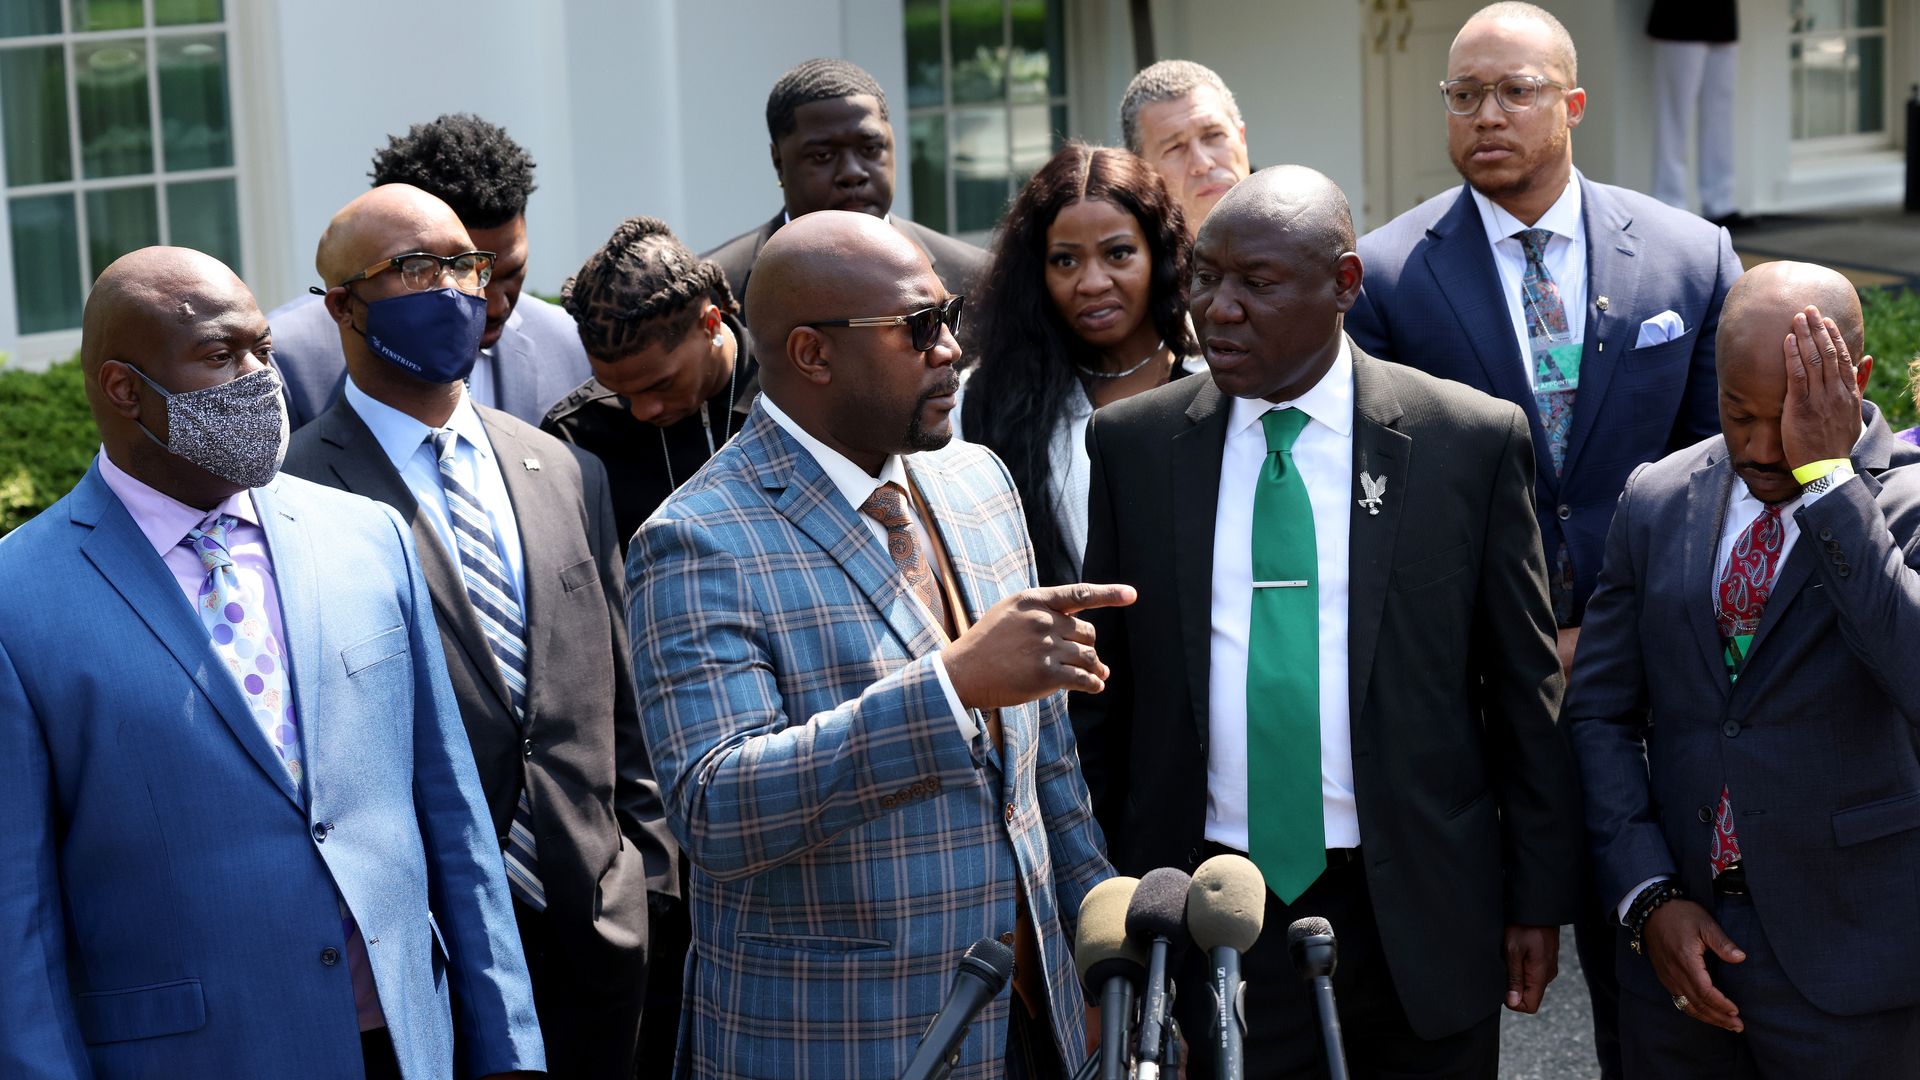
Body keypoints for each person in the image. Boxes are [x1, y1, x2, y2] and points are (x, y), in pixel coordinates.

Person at [1074, 166, 1585, 1079]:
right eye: (1204, 278)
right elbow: (1106, 701)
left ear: (1345, 284)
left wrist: (1535, 899)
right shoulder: (1135, 446)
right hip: (1212, 913)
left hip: (1417, 916)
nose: (1216, 309)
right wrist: (1103, 904)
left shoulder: (1463, 440)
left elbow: (1523, 688)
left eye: (1256, 284)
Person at [0, 246, 543, 1079]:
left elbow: (454, 821)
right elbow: (17, 918)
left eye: (263, 348)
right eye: (222, 356)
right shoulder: (20, 597)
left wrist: (510, 1051)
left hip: (403, 1042)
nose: (261, 378)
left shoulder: (368, 538)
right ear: (123, 388)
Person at [628, 209, 1119, 1078]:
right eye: (918, 328)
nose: (951, 352)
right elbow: (717, 809)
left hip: (1031, 1026)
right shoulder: (698, 538)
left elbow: (1047, 770)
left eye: (952, 317)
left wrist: (1102, 967)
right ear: (813, 354)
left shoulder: (976, 480)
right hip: (847, 1040)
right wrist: (950, 688)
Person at [1344, 9, 1742, 1065]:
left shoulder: (1688, 256)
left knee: (1656, 993)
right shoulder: (1383, 278)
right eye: (1462, 94)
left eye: (1513, 91)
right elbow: (1390, 511)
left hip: (1647, 682)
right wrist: (1522, 645)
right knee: (1475, 993)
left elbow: (1718, 475)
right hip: (1478, 694)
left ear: (1571, 103)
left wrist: (1606, 638)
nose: (1485, 115)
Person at [280, 185, 677, 1079]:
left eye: (467, 264)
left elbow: (621, 707)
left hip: (598, 937)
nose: (458, 288)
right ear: (343, 305)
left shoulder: (563, 468)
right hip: (428, 958)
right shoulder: (293, 498)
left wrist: (645, 881)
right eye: (416, 269)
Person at [1567, 261, 1920, 1078]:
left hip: (1854, 963)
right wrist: (1647, 894)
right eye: (1737, 415)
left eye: (1789, 416)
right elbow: (1600, 715)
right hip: (1681, 956)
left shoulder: (1905, 505)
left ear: (1853, 379)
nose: (1763, 450)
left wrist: (1830, 482)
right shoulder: (1657, 499)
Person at [955, 143, 1202, 586]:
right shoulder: (980, 402)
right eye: (1065, 260)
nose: (1091, 282)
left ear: (1161, 254)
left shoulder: (1219, 380)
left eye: (1118, 253)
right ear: (1037, 273)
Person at [269, 113, 590, 428]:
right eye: (432, 271)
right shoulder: (288, 361)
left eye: (509, 272)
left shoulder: (571, 347)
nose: (491, 304)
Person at [703, 58, 987, 314]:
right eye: (823, 156)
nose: (852, 173)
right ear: (778, 161)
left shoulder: (981, 279)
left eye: (871, 148)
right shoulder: (712, 295)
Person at [543, 216, 757, 549]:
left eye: (660, 385)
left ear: (711, 324)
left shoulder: (792, 395)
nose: (643, 411)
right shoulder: (577, 436)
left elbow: (868, 504)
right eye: (619, 391)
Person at [1119, 59, 1253, 240]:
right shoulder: (1125, 262)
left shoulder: (1299, 245)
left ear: (1241, 137)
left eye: (1213, 135)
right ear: (1138, 172)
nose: (1202, 163)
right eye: (1175, 148)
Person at [1649, 0, 1742, 227]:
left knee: (1720, 113)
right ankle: (1669, 202)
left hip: (1723, 19)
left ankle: (1720, 201)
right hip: (1680, 19)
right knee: (1673, 116)